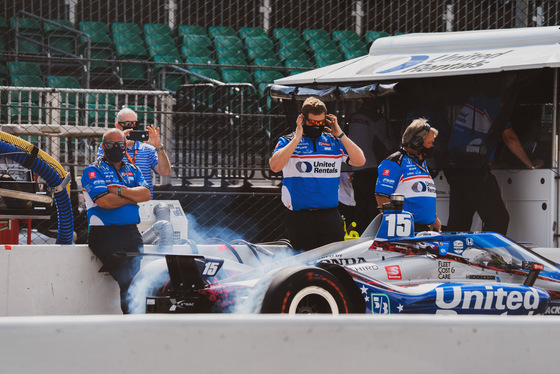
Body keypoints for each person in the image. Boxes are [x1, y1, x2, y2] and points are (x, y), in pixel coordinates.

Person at [444, 72, 542, 235]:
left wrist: (492, 161)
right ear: (501, 79)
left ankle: (452, 256)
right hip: (472, 169)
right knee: (498, 219)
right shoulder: (493, 104)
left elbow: (480, 135)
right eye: (513, 77)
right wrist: (530, 164)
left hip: (454, 166)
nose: (513, 81)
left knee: (459, 221)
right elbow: (509, 137)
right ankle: (490, 258)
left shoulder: (475, 99)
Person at [269, 97, 366, 251]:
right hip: (300, 216)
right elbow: (274, 166)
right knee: (304, 263)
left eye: (321, 122)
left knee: (333, 262)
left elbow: (360, 160)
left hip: (330, 215)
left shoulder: (333, 141)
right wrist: (297, 138)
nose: (317, 126)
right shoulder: (287, 141)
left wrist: (339, 133)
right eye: (313, 122)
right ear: (302, 119)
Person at [82, 128, 151, 313]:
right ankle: (131, 323)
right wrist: (132, 195)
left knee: (138, 280)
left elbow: (146, 194)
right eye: (111, 144)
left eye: (120, 144)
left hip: (132, 233)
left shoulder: (133, 169)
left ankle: (137, 321)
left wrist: (120, 191)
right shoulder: (92, 171)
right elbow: (104, 201)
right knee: (128, 280)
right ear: (103, 147)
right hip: (105, 235)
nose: (116, 148)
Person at [375, 118, 441, 232]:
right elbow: (382, 197)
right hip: (406, 229)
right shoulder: (394, 162)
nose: (432, 147)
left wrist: (434, 219)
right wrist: (397, 227)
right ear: (417, 143)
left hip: (424, 230)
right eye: (429, 143)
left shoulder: (422, 164)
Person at [347, 99, 397, 234]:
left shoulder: (351, 118)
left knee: (361, 211)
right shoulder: (377, 119)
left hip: (356, 171)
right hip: (373, 170)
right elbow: (390, 147)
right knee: (374, 211)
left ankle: (360, 240)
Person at [97, 107, 171, 197]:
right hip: (117, 201)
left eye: (135, 124)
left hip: (143, 201)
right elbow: (101, 170)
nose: (132, 127)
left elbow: (165, 172)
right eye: (128, 124)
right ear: (118, 126)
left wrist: (159, 146)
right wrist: (119, 145)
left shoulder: (148, 149)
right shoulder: (108, 148)